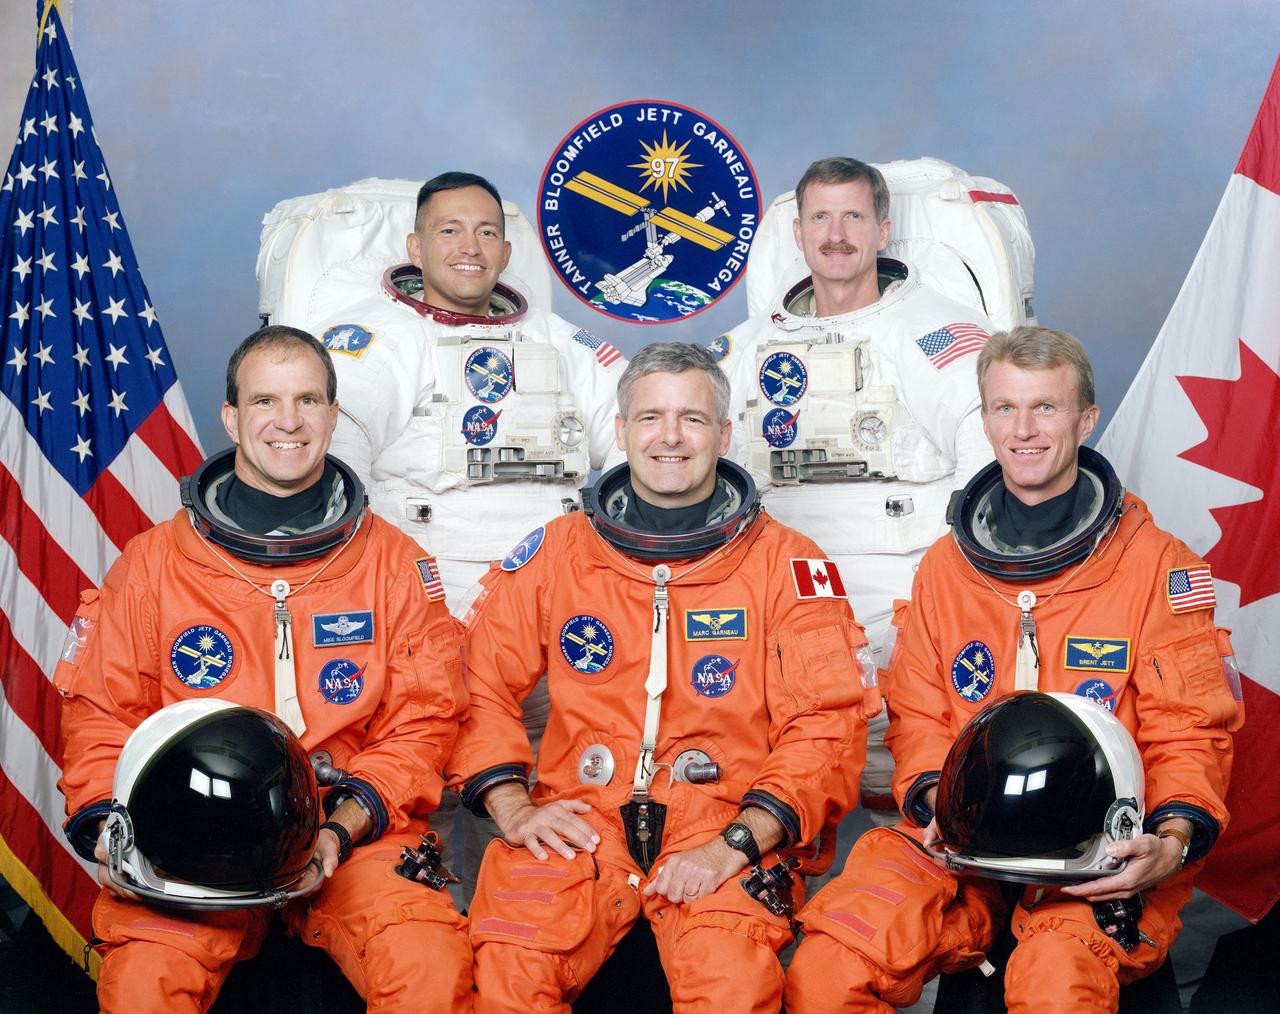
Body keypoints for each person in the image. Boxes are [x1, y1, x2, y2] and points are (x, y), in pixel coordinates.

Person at [785, 326, 1243, 1014]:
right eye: (1004, 408)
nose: (1023, 430)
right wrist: (941, 799)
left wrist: (1171, 842)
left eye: (1045, 409)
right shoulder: (946, 567)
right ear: (986, 418)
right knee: (827, 969)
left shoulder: (1156, 567)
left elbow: (1191, 732)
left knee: (1056, 984)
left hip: (1099, 854)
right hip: (963, 846)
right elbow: (919, 715)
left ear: (1086, 420)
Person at [446, 342, 876, 1012]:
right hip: (584, 820)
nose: (670, 437)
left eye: (693, 419)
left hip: (723, 820)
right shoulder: (558, 553)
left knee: (730, 983)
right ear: (620, 432)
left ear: (725, 434)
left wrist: (739, 842)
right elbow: (474, 677)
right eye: (650, 418)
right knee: (511, 970)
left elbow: (828, 726)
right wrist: (511, 803)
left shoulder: (786, 563)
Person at [55, 326, 472, 1013]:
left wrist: (341, 829)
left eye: (308, 400)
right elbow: (103, 716)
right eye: (265, 401)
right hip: (194, 840)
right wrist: (112, 830)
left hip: (352, 833)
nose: (288, 421)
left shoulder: (393, 563)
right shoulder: (155, 564)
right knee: (142, 988)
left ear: (334, 417)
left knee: (428, 967)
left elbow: (423, 721)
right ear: (232, 416)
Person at [308, 171, 626, 892]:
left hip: (554, 624)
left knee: (541, 810)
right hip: (423, 618)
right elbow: (331, 475)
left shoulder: (564, 343)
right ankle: (432, 955)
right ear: (416, 246)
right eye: (450, 230)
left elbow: (646, 445)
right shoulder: (366, 343)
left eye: (486, 231)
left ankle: (519, 958)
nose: (470, 247)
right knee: (416, 796)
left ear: (507, 249)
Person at [717, 156, 995, 821]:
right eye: (820, 216)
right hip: (781, 592)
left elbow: (986, 434)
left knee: (921, 772)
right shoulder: (745, 347)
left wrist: (956, 586)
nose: (836, 233)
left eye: (853, 217)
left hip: (903, 588)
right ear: (799, 232)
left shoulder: (933, 332)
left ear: (882, 229)